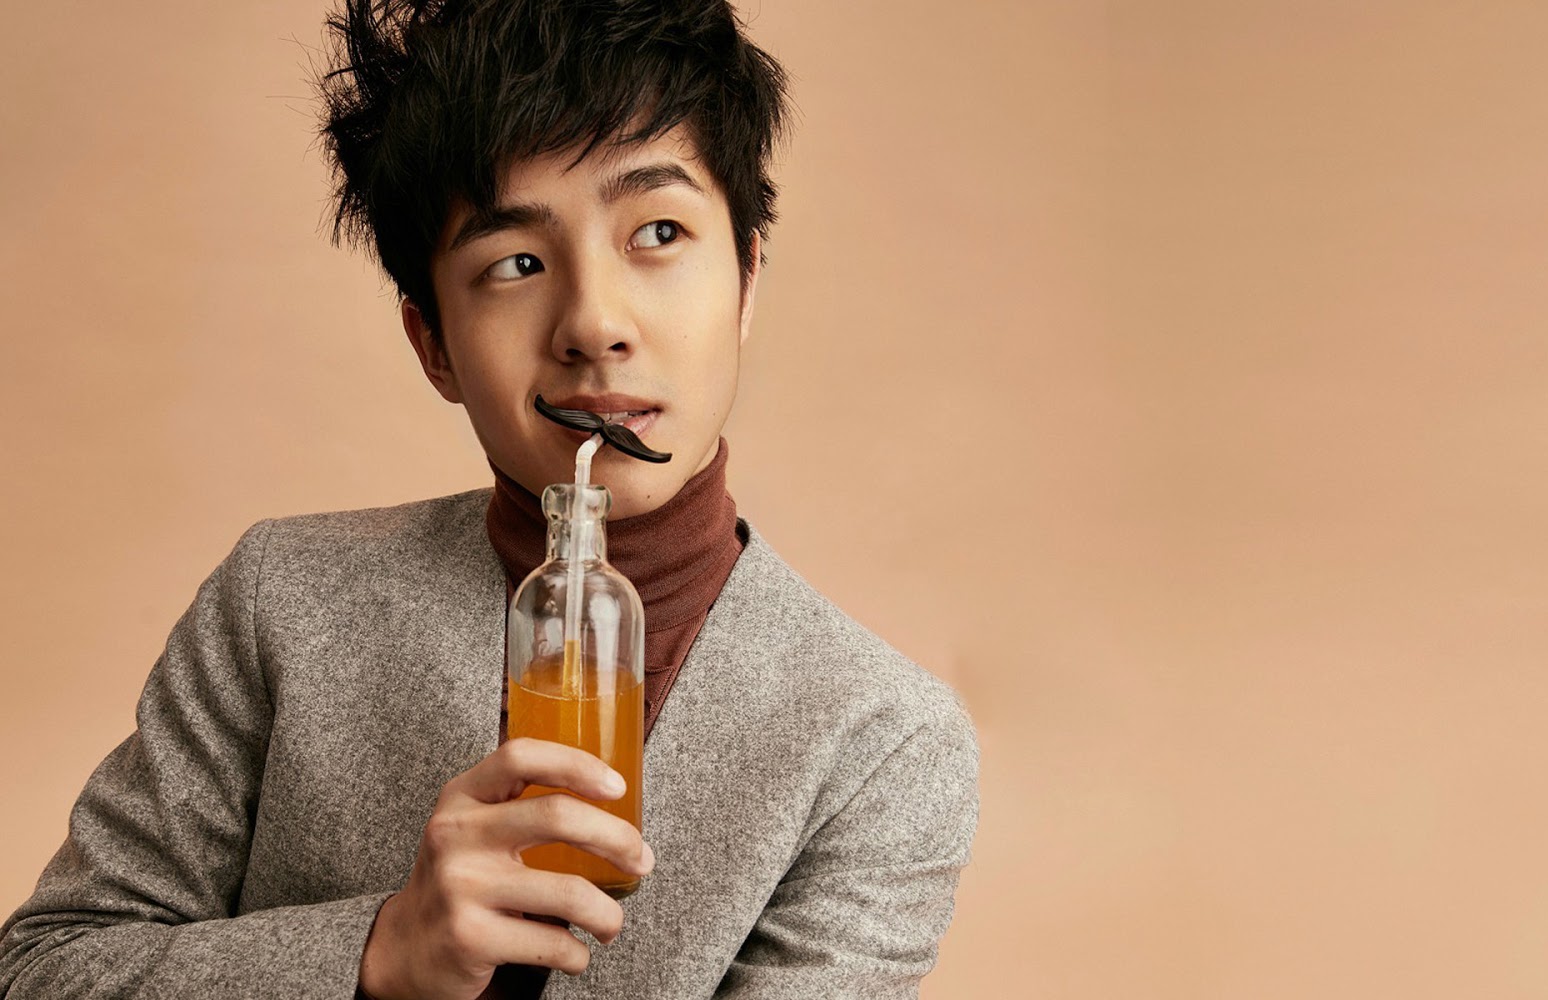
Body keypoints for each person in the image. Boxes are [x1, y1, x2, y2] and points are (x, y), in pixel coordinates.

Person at [0, 1, 980, 997]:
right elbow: (46, 969)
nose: (593, 323)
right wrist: (379, 951)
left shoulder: (882, 741)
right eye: (515, 263)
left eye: (658, 231)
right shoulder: (279, 600)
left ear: (746, 278)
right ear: (433, 344)